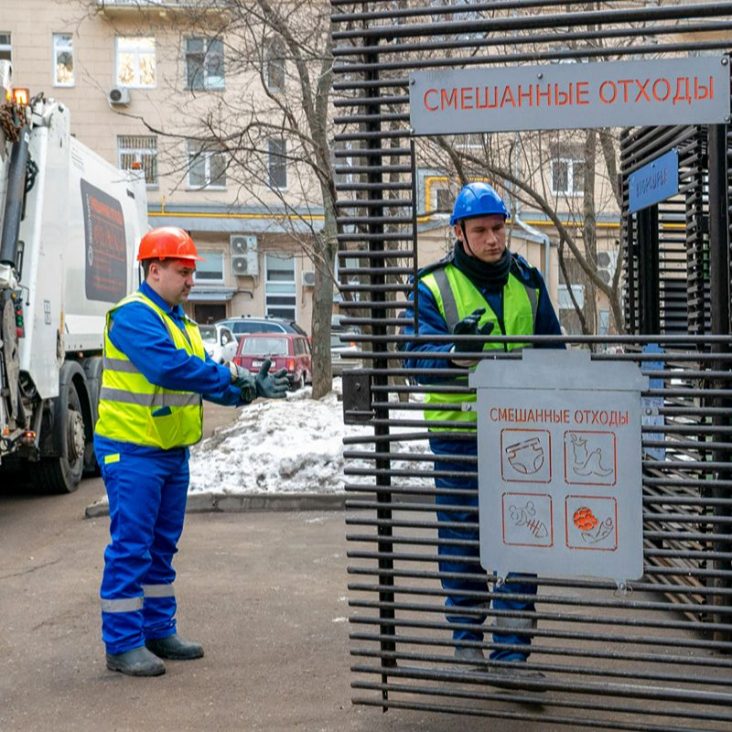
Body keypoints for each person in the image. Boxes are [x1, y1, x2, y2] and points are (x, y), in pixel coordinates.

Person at [94, 226, 289, 677]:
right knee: (132, 547)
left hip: (168, 451)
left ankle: (158, 630)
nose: (190, 281)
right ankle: (122, 643)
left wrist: (248, 390)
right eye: (183, 272)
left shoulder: (179, 320)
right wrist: (232, 381)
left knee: (161, 547)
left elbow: (201, 371)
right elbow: (171, 368)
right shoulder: (134, 316)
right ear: (154, 269)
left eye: (192, 272)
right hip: (133, 450)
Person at [403, 182, 562, 677]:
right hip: (459, 437)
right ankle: (467, 642)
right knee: (463, 540)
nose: (493, 239)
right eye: (481, 230)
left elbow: (551, 353)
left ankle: (512, 654)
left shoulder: (529, 281)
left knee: (522, 538)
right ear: (459, 233)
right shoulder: (432, 287)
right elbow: (415, 360)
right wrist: (457, 354)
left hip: (521, 435)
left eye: (499, 228)